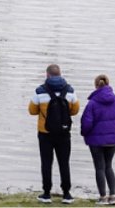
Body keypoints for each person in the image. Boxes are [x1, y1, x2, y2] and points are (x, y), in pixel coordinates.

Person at [29, 63, 79, 203]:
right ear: (60, 74)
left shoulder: (40, 91)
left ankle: (46, 194)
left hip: (45, 133)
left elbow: (32, 111)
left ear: (47, 75)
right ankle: (67, 194)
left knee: (46, 162)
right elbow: (75, 110)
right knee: (64, 163)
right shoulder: (70, 91)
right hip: (64, 133)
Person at [80, 74, 115, 205]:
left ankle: (102, 197)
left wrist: (84, 133)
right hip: (112, 140)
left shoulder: (92, 103)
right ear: (108, 84)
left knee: (99, 168)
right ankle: (113, 196)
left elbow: (86, 122)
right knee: (108, 166)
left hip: (95, 141)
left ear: (96, 86)